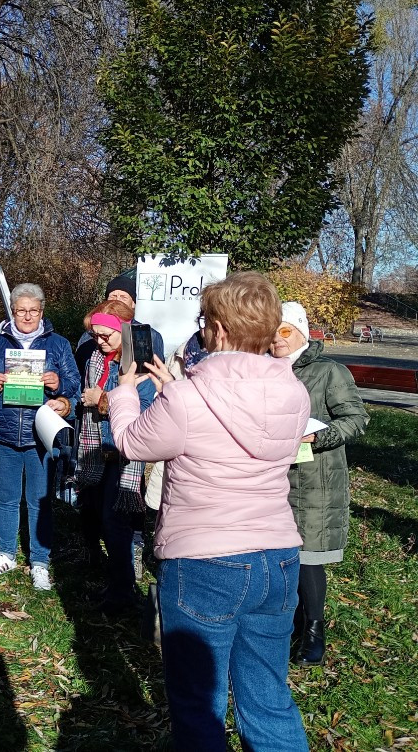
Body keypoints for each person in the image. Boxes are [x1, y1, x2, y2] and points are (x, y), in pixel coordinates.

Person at [108, 271, 311, 750]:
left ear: (218, 330)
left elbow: (131, 442)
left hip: (205, 560)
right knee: (268, 699)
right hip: (278, 555)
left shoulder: (187, 396)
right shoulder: (294, 393)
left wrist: (123, 390)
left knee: (199, 708)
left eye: (204, 322)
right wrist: (171, 394)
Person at [271, 301, 368, 666]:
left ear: (300, 331)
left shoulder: (329, 372)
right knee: (277, 556)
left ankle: (313, 630)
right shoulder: (262, 369)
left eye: (284, 331)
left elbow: (356, 418)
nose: (277, 339)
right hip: (270, 476)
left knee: (308, 557)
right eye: (272, 331)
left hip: (315, 480)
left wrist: (319, 436)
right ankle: (284, 625)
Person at [0, 283, 79, 592]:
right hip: (4, 431)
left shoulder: (59, 344)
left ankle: (39, 562)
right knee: (7, 498)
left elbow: (74, 384)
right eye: (21, 310)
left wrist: (58, 381)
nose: (27, 316)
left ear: (42, 312)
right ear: (13, 311)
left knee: (40, 500)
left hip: (41, 434)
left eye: (33, 310)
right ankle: (6, 554)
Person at [75, 299, 156, 613]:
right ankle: (115, 586)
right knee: (102, 520)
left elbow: (148, 410)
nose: (100, 340)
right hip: (96, 454)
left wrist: (104, 399)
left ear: (124, 329)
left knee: (115, 523)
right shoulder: (96, 357)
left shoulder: (141, 363)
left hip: (123, 455)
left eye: (106, 334)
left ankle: (123, 594)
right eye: (95, 334)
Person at [74, 273, 164, 387]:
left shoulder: (145, 336)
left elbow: (148, 384)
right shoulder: (88, 336)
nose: (117, 300)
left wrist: (102, 399)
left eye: (123, 297)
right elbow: (78, 374)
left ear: (133, 303)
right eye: (113, 296)